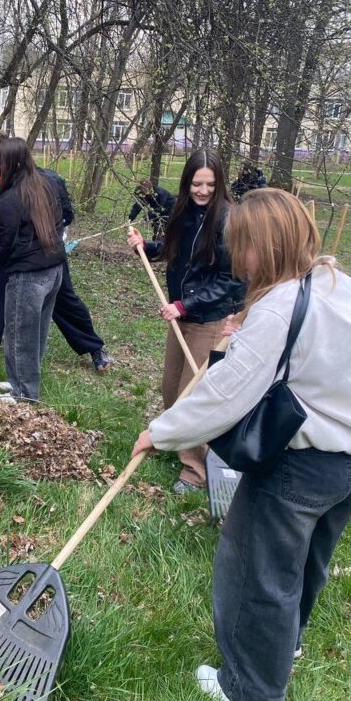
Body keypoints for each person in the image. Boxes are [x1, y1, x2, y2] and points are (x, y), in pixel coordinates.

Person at [131, 188, 351, 701]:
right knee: (303, 566)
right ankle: (285, 645)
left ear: (265, 245)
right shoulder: (340, 284)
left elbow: (225, 396)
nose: (235, 256)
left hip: (302, 471)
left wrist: (160, 432)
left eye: (241, 245)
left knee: (256, 578)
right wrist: (244, 333)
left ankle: (249, 688)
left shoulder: (279, 306)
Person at [0, 130, 114, 372]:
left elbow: (57, 220)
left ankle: (94, 348)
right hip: (10, 251)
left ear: (1, 155)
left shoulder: (43, 180)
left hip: (46, 251)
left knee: (64, 299)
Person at [127, 148, 244, 494]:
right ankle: (174, 440)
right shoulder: (184, 211)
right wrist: (146, 247)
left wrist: (186, 304)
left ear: (219, 183)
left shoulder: (227, 220)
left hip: (207, 317)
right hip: (181, 314)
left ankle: (195, 471)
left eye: (209, 184)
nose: (203, 191)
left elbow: (231, 278)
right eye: (196, 184)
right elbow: (173, 248)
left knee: (192, 394)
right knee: (170, 386)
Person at [0, 138, 66, 402]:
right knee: (36, 332)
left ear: (10, 163)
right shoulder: (46, 184)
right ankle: (20, 381)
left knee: (20, 333)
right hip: (54, 270)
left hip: (28, 277)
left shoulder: (6, 200)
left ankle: (24, 395)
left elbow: (2, 245)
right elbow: (63, 219)